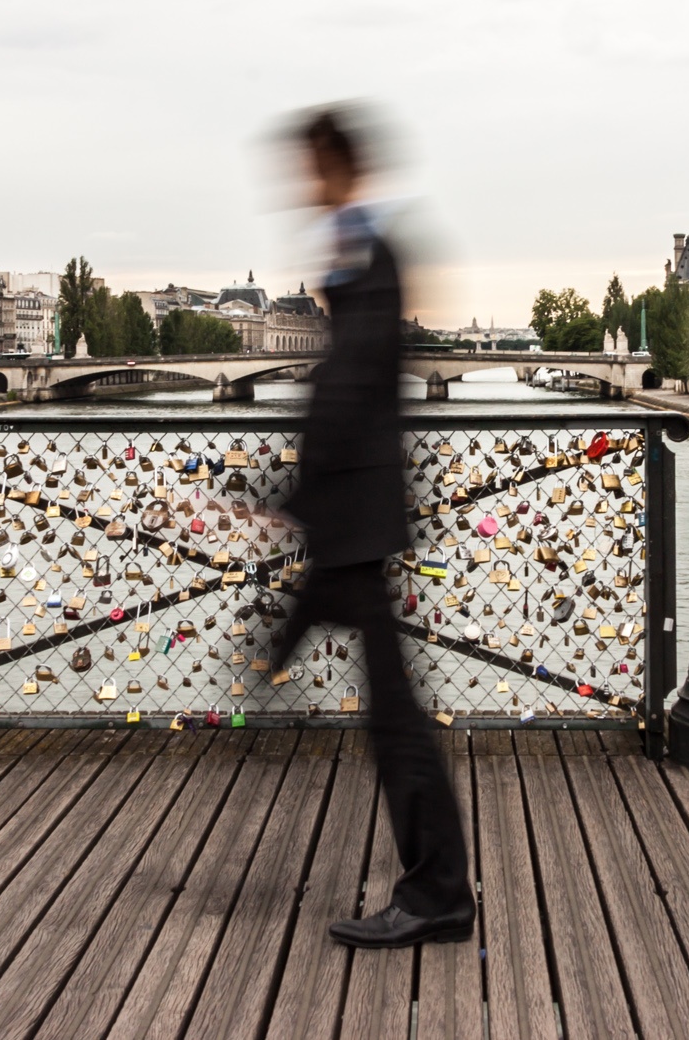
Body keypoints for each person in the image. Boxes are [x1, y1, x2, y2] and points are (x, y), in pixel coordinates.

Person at [270, 106, 475, 949]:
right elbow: (352, 378)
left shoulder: (366, 253)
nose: (301, 188)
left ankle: (437, 894)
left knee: (395, 716)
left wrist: (294, 488)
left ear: (336, 169)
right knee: (391, 708)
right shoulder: (359, 250)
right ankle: (435, 890)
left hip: (354, 509)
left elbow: (353, 381)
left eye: (310, 171)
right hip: (352, 507)